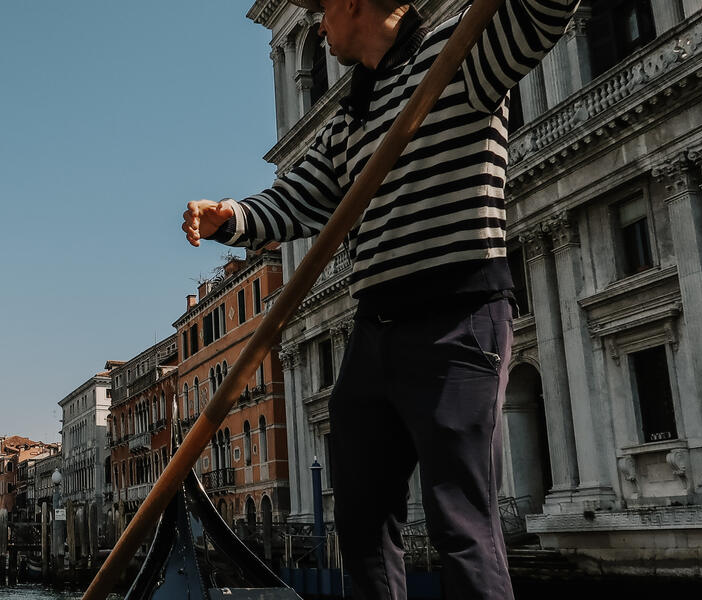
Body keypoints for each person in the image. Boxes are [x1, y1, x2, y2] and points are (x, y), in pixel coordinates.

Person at [182, 0, 577, 598]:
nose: (317, 26)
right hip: (375, 329)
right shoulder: (351, 113)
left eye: (321, 11)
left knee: (460, 520)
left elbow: (542, 14)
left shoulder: (458, 49)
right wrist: (227, 217)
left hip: (456, 311)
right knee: (361, 518)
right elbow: (300, 199)